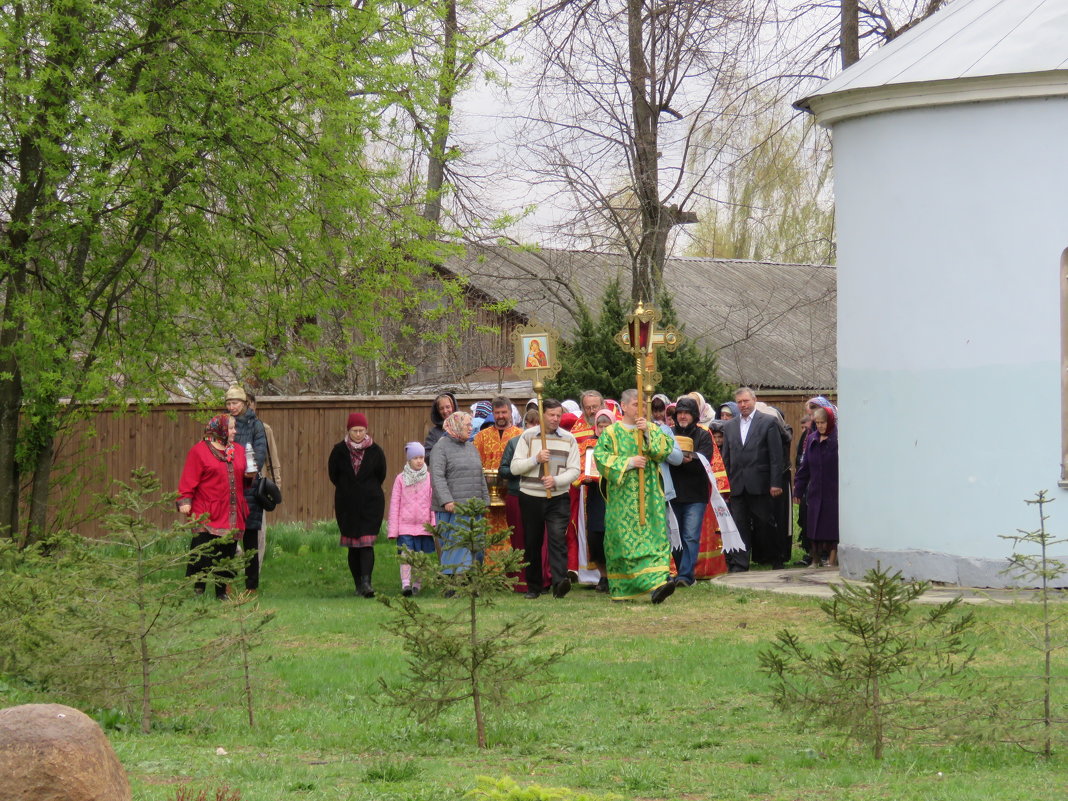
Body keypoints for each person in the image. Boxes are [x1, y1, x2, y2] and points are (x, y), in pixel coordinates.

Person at [594, 389, 677, 604]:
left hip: (649, 496)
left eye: (643, 406)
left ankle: (658, 584)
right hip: (622, 498)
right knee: (624, 543)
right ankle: (624, 587)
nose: (640, 410)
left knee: (654, 538)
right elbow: (600, 458)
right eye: (635, 405)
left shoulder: (651, 428)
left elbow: (664, 451)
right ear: (623, 406)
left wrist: (648, 434)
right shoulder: (611, 432)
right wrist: (629, 462)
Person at [510, 398, 581, 599]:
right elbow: (515, 468)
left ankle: (559, 583)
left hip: (558, 497)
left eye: (558, 415)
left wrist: (557, 480)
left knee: (557, 538)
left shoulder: (569, 439)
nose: (555, 419)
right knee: (532, 541)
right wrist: (536, 459)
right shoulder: (528, 437)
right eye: (551, 415)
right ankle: (534, 586)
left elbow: (575, 469)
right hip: (531, 496)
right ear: (542, 415)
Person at [178, 414, 249, 599]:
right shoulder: (199, 451)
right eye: (232, 428)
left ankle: (221, 593)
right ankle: (198, 589)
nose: (235, 431)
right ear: (220, 430)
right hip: (206, 510)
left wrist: (251, 477)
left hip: (231, 510)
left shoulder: (239, 451)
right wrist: (185, 501)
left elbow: (244, 479)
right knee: (203, 553)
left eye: (234, 428)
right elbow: (188, 478)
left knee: (226, 553)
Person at [718, 387, 785, 572]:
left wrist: (775, 482)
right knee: (739, 525)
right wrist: (725, 484)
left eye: (746, 401)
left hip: (761, 483)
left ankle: (776, 557)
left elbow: (775, 456)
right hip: (737, 483)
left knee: (766, 523)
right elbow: (726, 457)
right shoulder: (729, 426)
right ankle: (740, 563)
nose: (743, 405)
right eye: (739, 402)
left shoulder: (768, 422)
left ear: (754, 400)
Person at [328, 412, 387, 598]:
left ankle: (367, 583)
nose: (358, 434)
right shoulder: (338, 451)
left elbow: (381, 474)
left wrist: (366, 489)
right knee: (353, 545)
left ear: (366, 430)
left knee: (367, 544)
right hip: (347, 505)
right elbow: (333, 475)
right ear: (348, 430)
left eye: (361, 430)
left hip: (371, 504)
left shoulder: (376, 451)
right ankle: (357, 585)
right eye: (355, 430)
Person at [429, 411, 490, 577]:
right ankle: (454, 584)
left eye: (472, 425)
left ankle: (472, 582)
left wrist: (485, 500)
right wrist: (446, 500)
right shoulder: (440, 448)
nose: (471, 429)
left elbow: (479, 474)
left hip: (473, 508)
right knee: (454, 546)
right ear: (455, 425)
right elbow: (437, 476)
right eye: (467, 425)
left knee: (474, 545)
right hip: (452, 509)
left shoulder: (471, 447)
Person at [224, 386, 268, 594]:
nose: (232, 407)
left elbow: (260, 452)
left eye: (235, 403)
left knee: (250, 539)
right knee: (227, 539)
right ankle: (226, 582)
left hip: (249, 488)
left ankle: (251, 586)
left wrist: (248, 470)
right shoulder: (223, 423)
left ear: (244, 403)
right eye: (229, 403)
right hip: (228, 487)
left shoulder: (255, 425)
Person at [668, 397, 713, 587]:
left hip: (695, 495)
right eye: (679, 413)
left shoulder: (703, 435)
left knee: (690, 536)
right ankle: (681, 571)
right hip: (673, 494)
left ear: (694, 415)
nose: (682, 416)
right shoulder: (668, 434)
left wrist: (687, 459)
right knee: (675, 537)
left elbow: (704, 460)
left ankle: (686, 576)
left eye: (686, 412)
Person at [473, 396, 523, 559]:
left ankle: (512, 571)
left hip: (514, 493)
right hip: (488, 495)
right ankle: (490, 573)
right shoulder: (481, 437)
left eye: (504, 412)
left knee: (513, 531)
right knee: (488, 533)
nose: (501, 416)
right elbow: (475, 464)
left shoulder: (521, 435)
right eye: (497, 412)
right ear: (492, 414)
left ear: (510, 412)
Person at [498, 408, 541, 593]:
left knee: (539, 538)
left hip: (540, 494)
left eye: (537, 424)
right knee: (519, 538)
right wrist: (521, 468)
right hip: (517, 494)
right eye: (530, 423)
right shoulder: (514, 442)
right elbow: (504, 470)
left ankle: (541, 578)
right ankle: (519, 580)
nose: (533, 427)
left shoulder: (547, 444)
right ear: (525, 425)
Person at [388, 442, 436, 597]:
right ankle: (406, 584)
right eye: (415, 458)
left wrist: (433, 524)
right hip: (405, 526)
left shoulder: (429, 478)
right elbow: (395, 504)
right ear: (409, 460)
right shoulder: (400, 479)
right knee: (406, 556)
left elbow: (432, 501)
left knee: (420, 557)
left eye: (421, 457)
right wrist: (393, 529)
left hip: (423, 526)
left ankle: (417, 584)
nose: (419, 461)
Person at [794, 406, 839, 567]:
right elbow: (804, 467)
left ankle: (832, 559)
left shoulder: (837, 440)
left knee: (832, 526)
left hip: (833, 491)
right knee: (814, 525)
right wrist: (798, 488)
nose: (820, 426)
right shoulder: (812, 439)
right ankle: (816, 558)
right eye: (818, 423)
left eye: (823, 422)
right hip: (815, 490)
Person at [577, 408, 615, 592]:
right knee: (596, 537)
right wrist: (583, 477)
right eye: (600, 425)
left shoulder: (619, 444)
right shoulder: (588, 444)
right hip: (594, 495)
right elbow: (580, 466)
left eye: (606, 425)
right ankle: (603, 575)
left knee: (613, 536)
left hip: (615, 494)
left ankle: (615, 577)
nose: (602, 428)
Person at [246, 391, 280, 593]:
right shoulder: (229, 429)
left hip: (257, 490)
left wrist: (276, 488)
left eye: (250, 404)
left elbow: (272, 461)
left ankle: (253, 580)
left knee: (259, 536)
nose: (247, 408)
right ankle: (230, 572)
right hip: (234, 491)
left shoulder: (263, 429)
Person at [424, 391, 458, 456]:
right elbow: (427, 455)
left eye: (448, 407)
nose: (445, 411)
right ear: (438, 411)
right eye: (441, 408)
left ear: (453, 407)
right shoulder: (434, 433)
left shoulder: (464, 427)